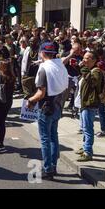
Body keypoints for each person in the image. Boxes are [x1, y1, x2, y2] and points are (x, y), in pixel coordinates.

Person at [28, 42, 69, 180]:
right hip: (58, 105)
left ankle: (47, 169)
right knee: (53, 137)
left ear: (42, 53)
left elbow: (41, 93)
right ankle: (53, 166)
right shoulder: (60, 66)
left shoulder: (44, 68)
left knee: (45, 139)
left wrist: (30, 101)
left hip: (46, 107)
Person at [75, 51, 104, 162]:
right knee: (84, 128)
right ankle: (84, 147)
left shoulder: (96, 71)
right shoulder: (88, 70)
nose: (84, 60)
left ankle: (88, 152)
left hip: (90, 104)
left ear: (94, 60)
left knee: (88, 129)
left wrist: (84, 69)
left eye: (87, 58)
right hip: (83, 103)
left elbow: (92, 83)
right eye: (84, 57)